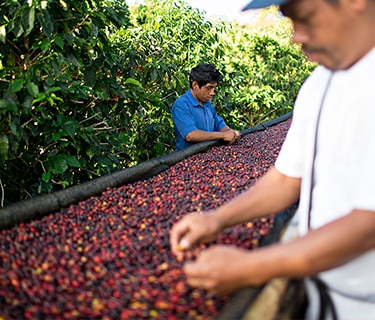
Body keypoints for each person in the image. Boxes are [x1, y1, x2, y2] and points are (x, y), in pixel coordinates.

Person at [169, 0, 375, 319]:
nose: (295, 37)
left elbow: (367, 225)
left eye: (303, 17)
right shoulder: (318, 86)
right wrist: (219, 219)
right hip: (320, 295)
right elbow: (286, 179)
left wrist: (251, 267)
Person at [172, 63, 241, 151]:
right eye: (209, 88)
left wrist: (231, 133)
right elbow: (190, 135)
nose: (212, 93)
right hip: (188, 157)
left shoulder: (207, 103)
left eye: (214, 88)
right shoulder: (181, 105)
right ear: (195, 85)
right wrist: (223, 136)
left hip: (208, 155)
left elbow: (219, 124)